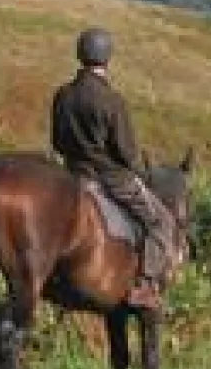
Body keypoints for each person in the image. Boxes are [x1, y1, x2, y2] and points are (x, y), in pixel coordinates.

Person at [50, 27, 172, 310]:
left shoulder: (63, 95)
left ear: (80, 54)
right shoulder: (112, 100)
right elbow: (127, 153)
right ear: (107, 58)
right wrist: (139, 170)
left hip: (73, 175)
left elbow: (57, 142)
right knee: (158, 222)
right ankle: (144, 286)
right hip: (110, 179)